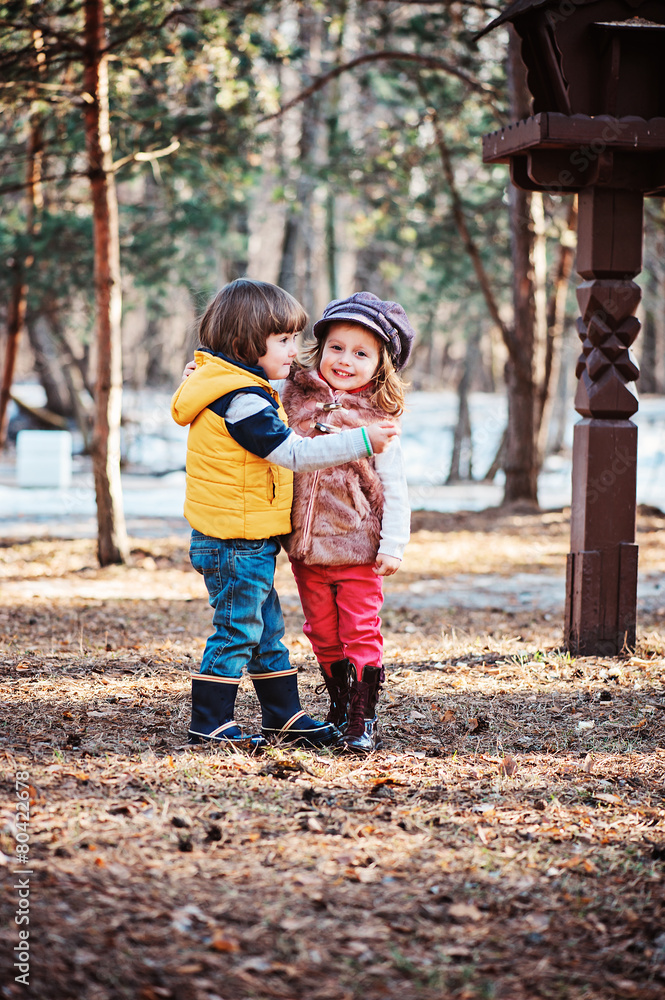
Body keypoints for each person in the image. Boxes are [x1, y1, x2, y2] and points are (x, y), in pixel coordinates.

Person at [171, 279, 398, 751]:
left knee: (267, 631)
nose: (295, 352)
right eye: (284, 341)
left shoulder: (241, 386)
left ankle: (283, 714)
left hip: (247, 537)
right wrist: (360, 442)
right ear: (246, 344)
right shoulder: (242, 399)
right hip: (233, 538)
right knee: (238, 630)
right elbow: (291, 453)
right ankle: (209, 720)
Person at [280, 291, 413, 754]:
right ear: (321, 348)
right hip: (305, 546)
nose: (345, 360)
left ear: (380, 365)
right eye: (337, 347)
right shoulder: (292, 397)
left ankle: (362, 717)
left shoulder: (380, 419)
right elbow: (245, 393)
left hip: (358, 549)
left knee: (359, 629)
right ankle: (338, 705)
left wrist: (393, 543)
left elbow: (395, 487)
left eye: (361, 353)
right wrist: (199, 376)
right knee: (321, 630)